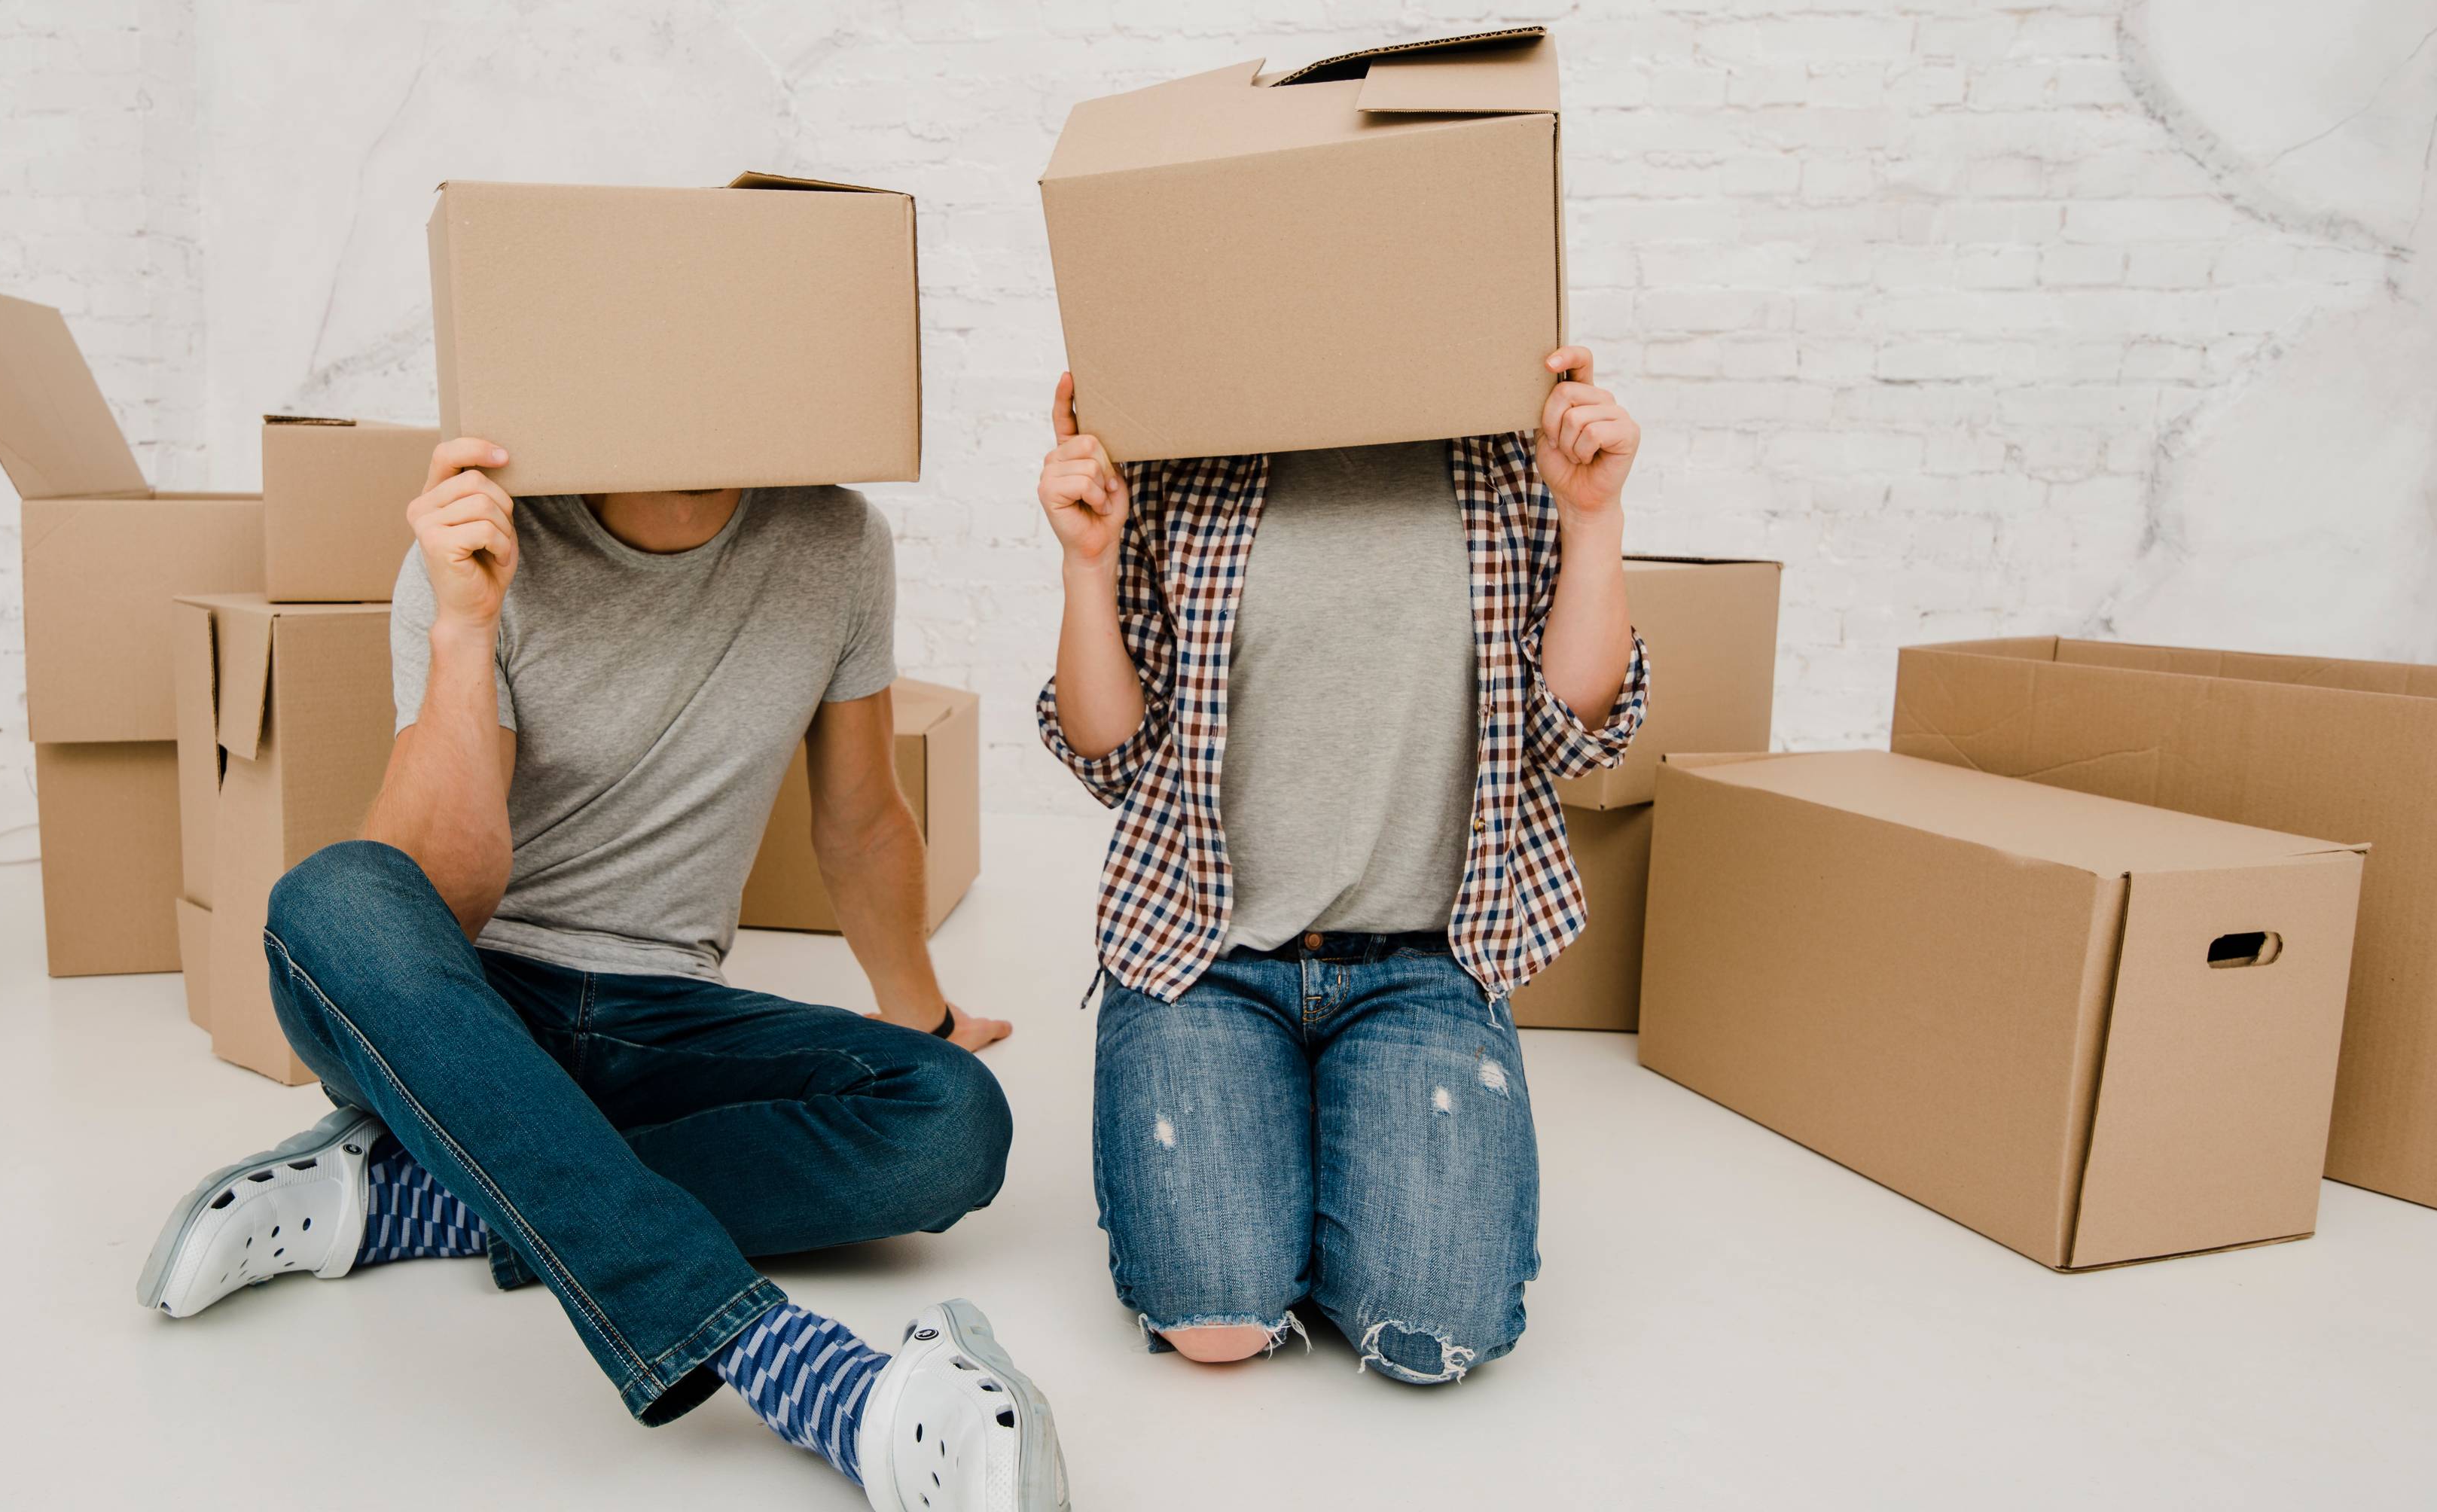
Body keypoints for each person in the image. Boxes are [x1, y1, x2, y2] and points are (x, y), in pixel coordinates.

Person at [137, 439, 1069, 1512]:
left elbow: (861, 819)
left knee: (953, 1120)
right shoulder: (475, 540)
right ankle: (808, 1376)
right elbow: (440, 894)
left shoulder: (835, 538)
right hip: (462, 1008)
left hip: (662, 1013)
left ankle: (418, 1198)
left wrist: (926, 1017)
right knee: (333, 897)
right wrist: (464, 629)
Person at [1034, 347, 1649, 1385]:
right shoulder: (1188, 458)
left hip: (1421, 963)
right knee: (1215, 1319)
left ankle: (1334, 1140)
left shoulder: (1502, 452)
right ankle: (1283, 1147)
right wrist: (1087, 567)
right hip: (1206, 956)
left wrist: (1593, 519)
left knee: (1432, 1331)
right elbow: (1112, 754)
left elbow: (1577, 734)